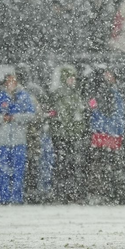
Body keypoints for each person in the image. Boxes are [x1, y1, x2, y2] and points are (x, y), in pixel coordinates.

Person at [0, 73, 36, 205]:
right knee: (3, 170)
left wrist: (16, 117)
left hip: (19, 139)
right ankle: (4, 197)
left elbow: (31, 115)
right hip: (3, 139)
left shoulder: (24, 96)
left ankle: (17, 197)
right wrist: (1, 118)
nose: (11, 83)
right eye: (9, 81)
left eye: (13, 81)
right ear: (5, 83)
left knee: (18, 170)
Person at [47, 65, 89, 203]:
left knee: (70, 165)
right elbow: (64, 115)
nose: (73, 81)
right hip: (62, 135)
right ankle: (62, 193)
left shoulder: (74, 93)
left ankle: (69, 193)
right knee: (63, 165)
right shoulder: (60, 94)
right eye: (70, 78)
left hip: (72, 135)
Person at [85, 67, 125, 204]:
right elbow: (103, 113)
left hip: (109, 134)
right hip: (106, 134)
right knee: (101, 164)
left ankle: (106, 193)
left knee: (105, 165)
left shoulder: (115, 92)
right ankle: (102, 193)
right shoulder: (106, 92)